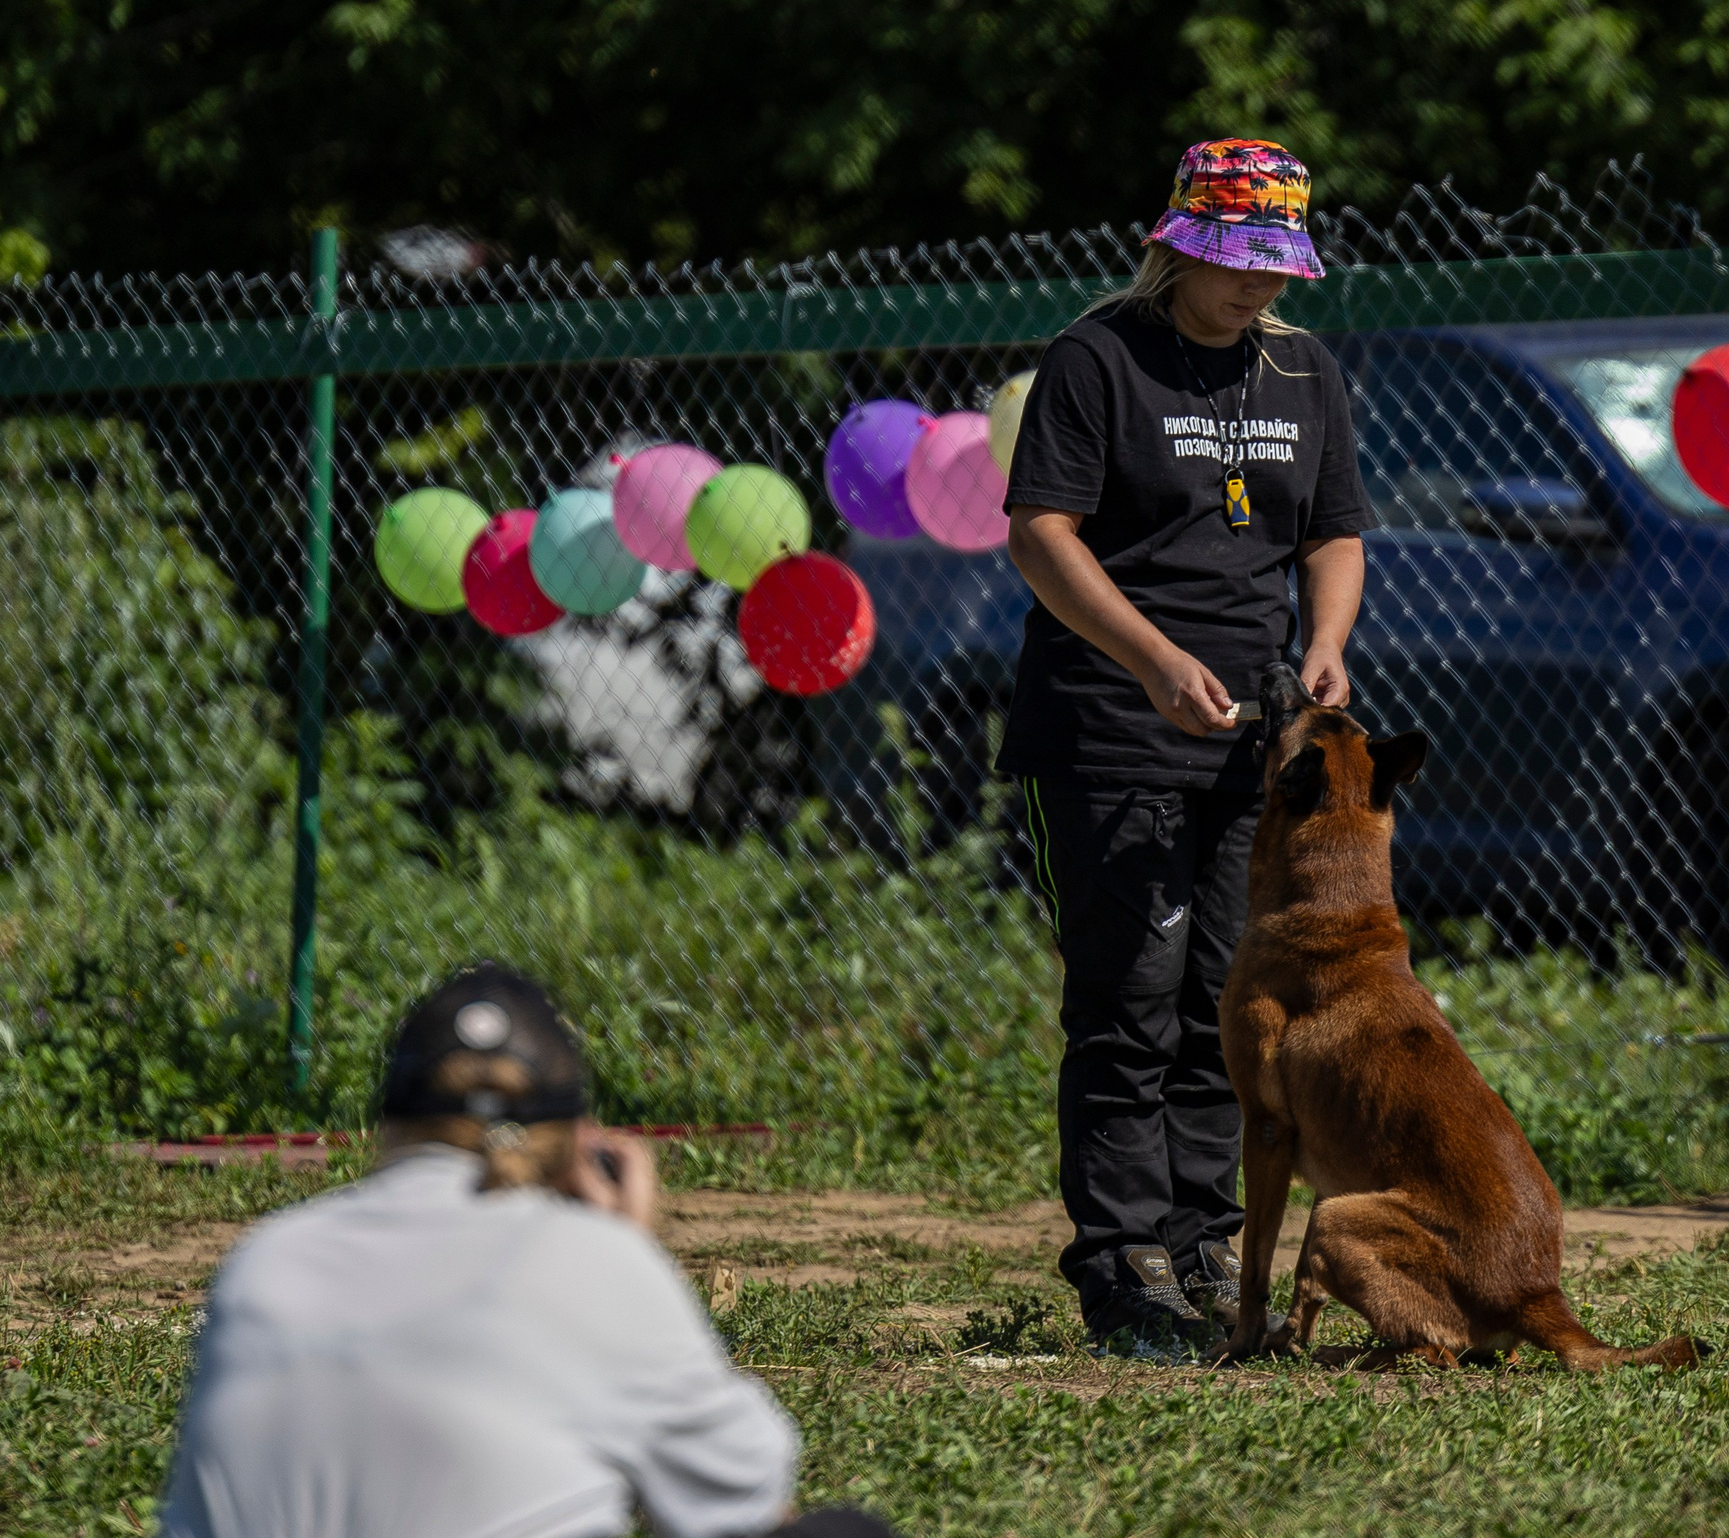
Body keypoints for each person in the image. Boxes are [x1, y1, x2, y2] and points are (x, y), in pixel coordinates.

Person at [998, 137, 1375, 1353]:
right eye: (1236, 264)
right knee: (1128, 1000)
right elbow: (1040, 534)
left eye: (1277, 268)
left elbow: (1331, 532)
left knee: (1230, 998)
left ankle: (1207, 1245)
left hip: (1250, 741)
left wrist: (1325, 640)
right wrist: (1151, 658)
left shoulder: (1305, 372)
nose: (1259, 287)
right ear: (1175, 245)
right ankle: (1120, 1267)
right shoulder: (1096, 358)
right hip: (1110, 725)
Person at [157, 963, 895, 1538]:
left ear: (387, 1122)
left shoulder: (265, 1259)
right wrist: (624, 1256)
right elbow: (744, 1502)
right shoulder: (593, 1260)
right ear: (581, 1142)